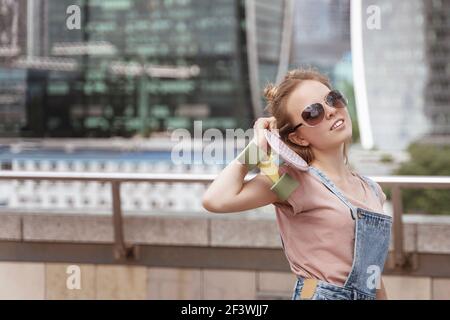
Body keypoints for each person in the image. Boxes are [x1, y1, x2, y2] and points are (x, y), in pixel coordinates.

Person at [202, 68, 392, 300]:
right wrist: (256, 148)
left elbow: (372, 273)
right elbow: (216, 199)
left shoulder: (372, 190)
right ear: (298, 137)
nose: (331, 111)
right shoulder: (292, 183)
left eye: (333, 99)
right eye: (313, 113)